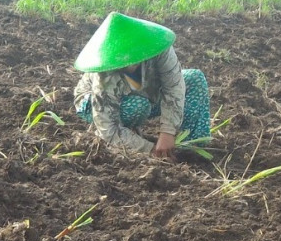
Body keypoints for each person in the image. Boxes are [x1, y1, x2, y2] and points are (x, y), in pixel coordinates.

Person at [71, 12, 210, 160]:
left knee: (194, 78)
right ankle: (121, 140)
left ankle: (190, 150)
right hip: (97, 104)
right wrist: (151, 150)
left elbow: (174, 86)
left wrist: (168, 133)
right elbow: (108, 128)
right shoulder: (104, 75)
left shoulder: (157, 47)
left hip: (146, 92)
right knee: (137, 106)